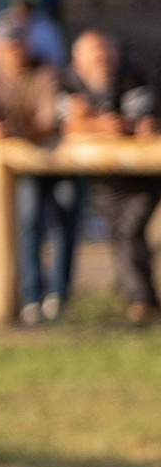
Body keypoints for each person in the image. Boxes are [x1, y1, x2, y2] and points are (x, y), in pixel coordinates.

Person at [0, 7, 70, 323]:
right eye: (6, 44)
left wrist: (15, 130)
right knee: (26, 223)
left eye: (18, 43)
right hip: (16, 166)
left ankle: (57, 295)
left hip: (55, 160)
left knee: (62, 223)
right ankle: (31, 295)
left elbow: (47, 121)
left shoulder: (44, 71)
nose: (13, 50)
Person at [60, 29, 155, 323]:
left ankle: (140, 301)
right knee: (120, 233)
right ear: (78, 61)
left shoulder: (133, 75)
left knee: (129, 230)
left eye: (104, 54)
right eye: (94, 55)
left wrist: (92, 122)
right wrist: (100, 125)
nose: (101, 60)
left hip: (144, 174)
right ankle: (140, 299)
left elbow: (139, 122)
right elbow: (67, 122)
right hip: (107, 176)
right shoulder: (68, 81)